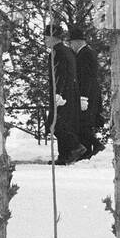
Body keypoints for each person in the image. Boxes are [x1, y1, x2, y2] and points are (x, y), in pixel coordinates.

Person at [44, 22, 85, 165]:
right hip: (70, 93)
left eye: (46, 37)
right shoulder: (68, 51)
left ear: (53, 37)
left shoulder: (56, 52)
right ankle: (65, 155)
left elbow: (59, 75)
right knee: (63, 123)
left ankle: (75, 147)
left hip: (62, 93)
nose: (45, 40)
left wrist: (58, 94)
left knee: (55, 124)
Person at [68, 24, 102, 158]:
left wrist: (83, 96)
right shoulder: (87, 52)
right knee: (85, 122)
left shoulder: (85, 54)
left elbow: (86, 77)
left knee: (84, 122)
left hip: (88, 93)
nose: (71, 46)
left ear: (76, 42)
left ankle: (92, 147)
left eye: (71, 43)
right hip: (90, 92)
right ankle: (88, 150)